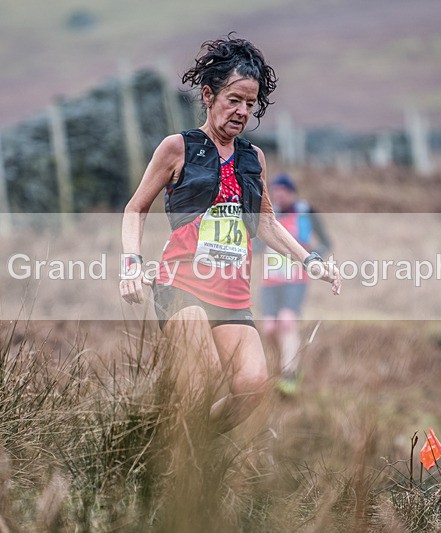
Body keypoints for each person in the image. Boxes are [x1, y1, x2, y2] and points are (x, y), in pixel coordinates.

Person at [120, 35, 341, 433]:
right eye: (233, 100)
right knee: (201, 378)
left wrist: (310, 260)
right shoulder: (178, 148)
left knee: (253, 385)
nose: (242, 111)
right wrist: (132, 265)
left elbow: (267, 222)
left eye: (250, 104)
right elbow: (135, 208)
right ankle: (179, 469)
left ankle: (180, 445)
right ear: (208, 95)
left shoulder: (253, 158)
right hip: (182, 284)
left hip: (233, 294)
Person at [259, 173, 332, 396]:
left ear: (291, 192)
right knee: (270, 327)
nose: (278, 196)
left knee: (287, 321)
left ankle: (289, 374)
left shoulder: (306, 211)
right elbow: (257, 242)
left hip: (296, 279)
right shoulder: (269, 214)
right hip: (270, 280)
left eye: (282, 191)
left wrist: (314, 257)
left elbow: (326, 243)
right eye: (275, 192)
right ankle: (284, 363)